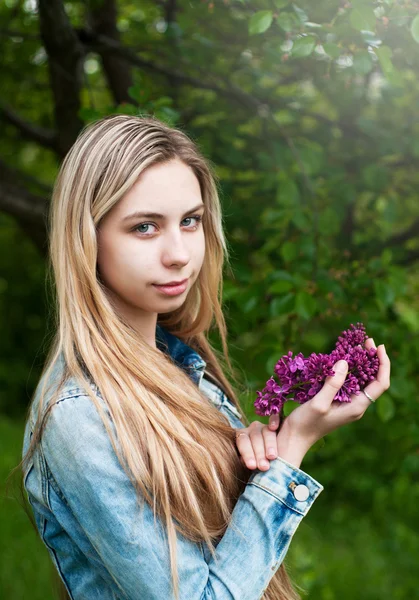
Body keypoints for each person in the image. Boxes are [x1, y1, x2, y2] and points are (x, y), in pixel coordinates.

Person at [18, 114, 391, 600]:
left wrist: (254, 462)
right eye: (145, 227)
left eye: (190, 221)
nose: (179, 254)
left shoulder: (181, 367)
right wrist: (297, 445)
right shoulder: (82, 414)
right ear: (87, 238)